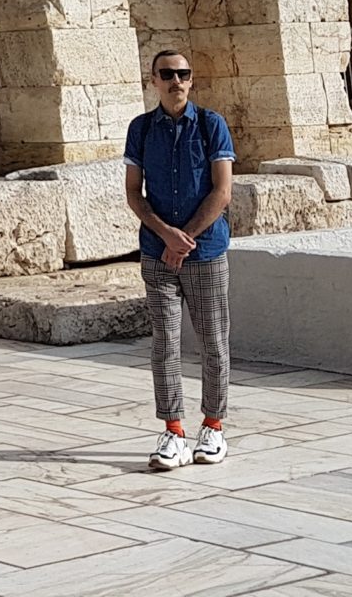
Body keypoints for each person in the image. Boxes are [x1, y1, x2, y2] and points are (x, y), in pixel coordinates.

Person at [123, 48, 233, 471]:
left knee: (212, 342)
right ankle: (173, 430)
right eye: (167, 74)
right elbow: (134, 191)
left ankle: (213, 426)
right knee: (165, 344)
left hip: (204, 253)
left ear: (192, 80)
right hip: (157, 251)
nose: (176, 81)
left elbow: (221, 192)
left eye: (183, 74)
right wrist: (165, 234)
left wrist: (184, 238)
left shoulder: (211, 125)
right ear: (153, 80)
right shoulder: (141, 128)